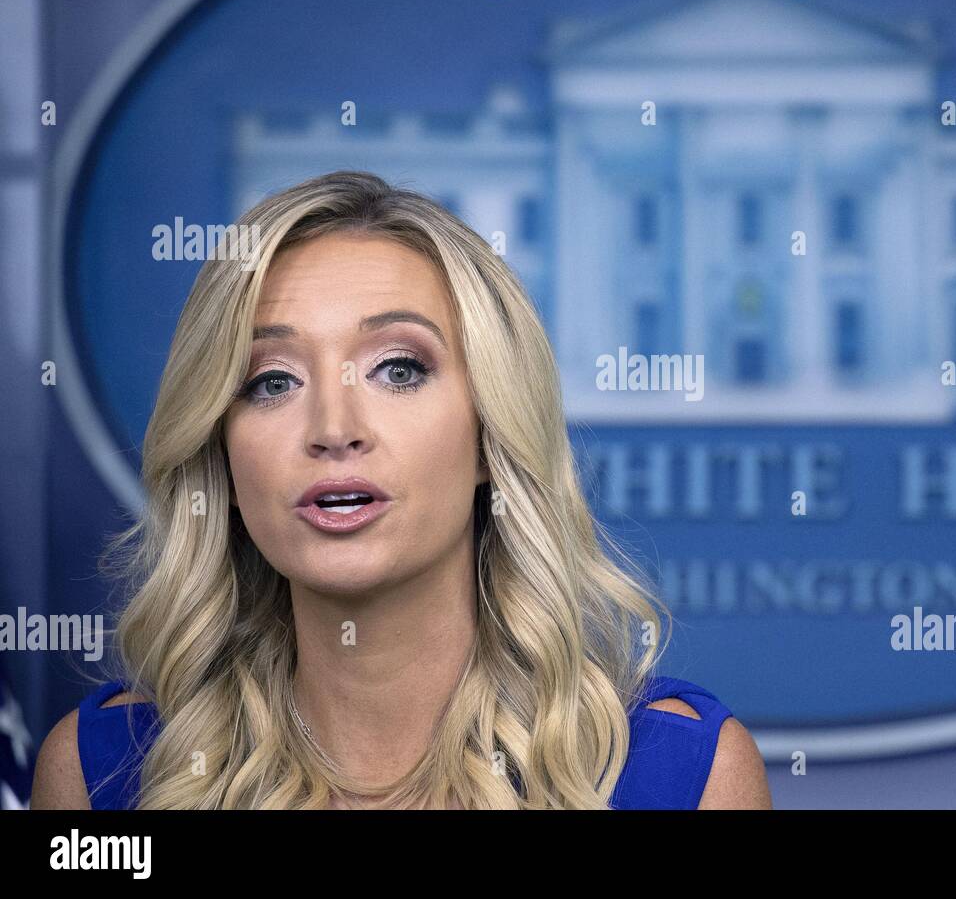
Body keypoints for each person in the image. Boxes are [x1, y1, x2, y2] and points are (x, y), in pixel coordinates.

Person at [31, 171, 771, 809]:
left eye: (400, 369)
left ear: (490, 433)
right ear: (219, 455)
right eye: (273, 381)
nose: (334, 427)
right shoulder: (103, 774)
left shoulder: (678, 776)